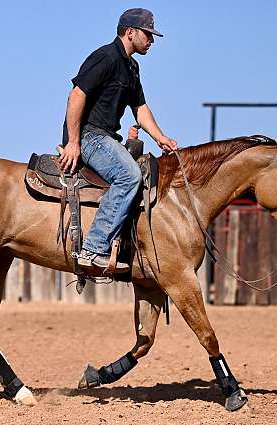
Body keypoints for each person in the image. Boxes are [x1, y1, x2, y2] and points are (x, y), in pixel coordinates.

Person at [59, 8, 177, 273]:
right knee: (129, 175)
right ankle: (94, 248)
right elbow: (76, 95)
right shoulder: (106, 57)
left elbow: (140, 108)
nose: (152, 40)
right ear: (130, 32)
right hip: (90, 136)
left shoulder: (132, 67)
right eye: (148, 34)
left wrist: (160, 137)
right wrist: (74, 142)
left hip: (107, 138)